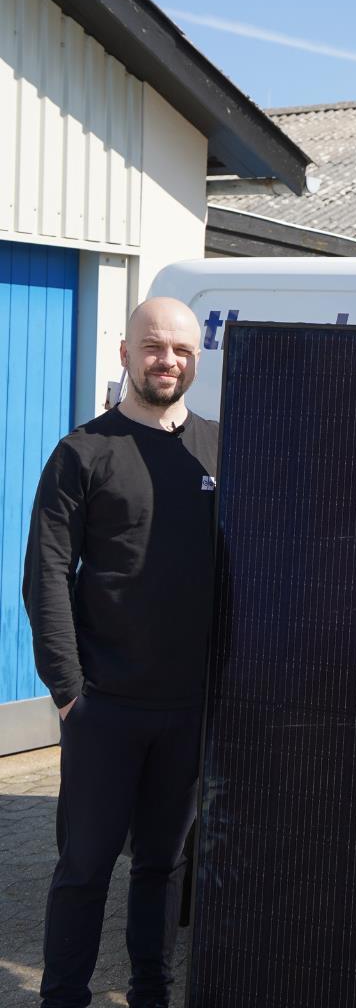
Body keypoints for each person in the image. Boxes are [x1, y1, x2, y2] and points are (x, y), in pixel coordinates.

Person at [23, 297, 219, 1008]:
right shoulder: (84, 451)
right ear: (126, 354)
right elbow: (46, 572)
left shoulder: (221, 448)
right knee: (85, 866)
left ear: (197, 359)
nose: (168, 360)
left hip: (188, 707)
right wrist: (68, 690)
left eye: (182, 350)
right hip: (103, 706)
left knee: (163, 867)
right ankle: (63, 997)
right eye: (154, 346)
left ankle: (151, 992)